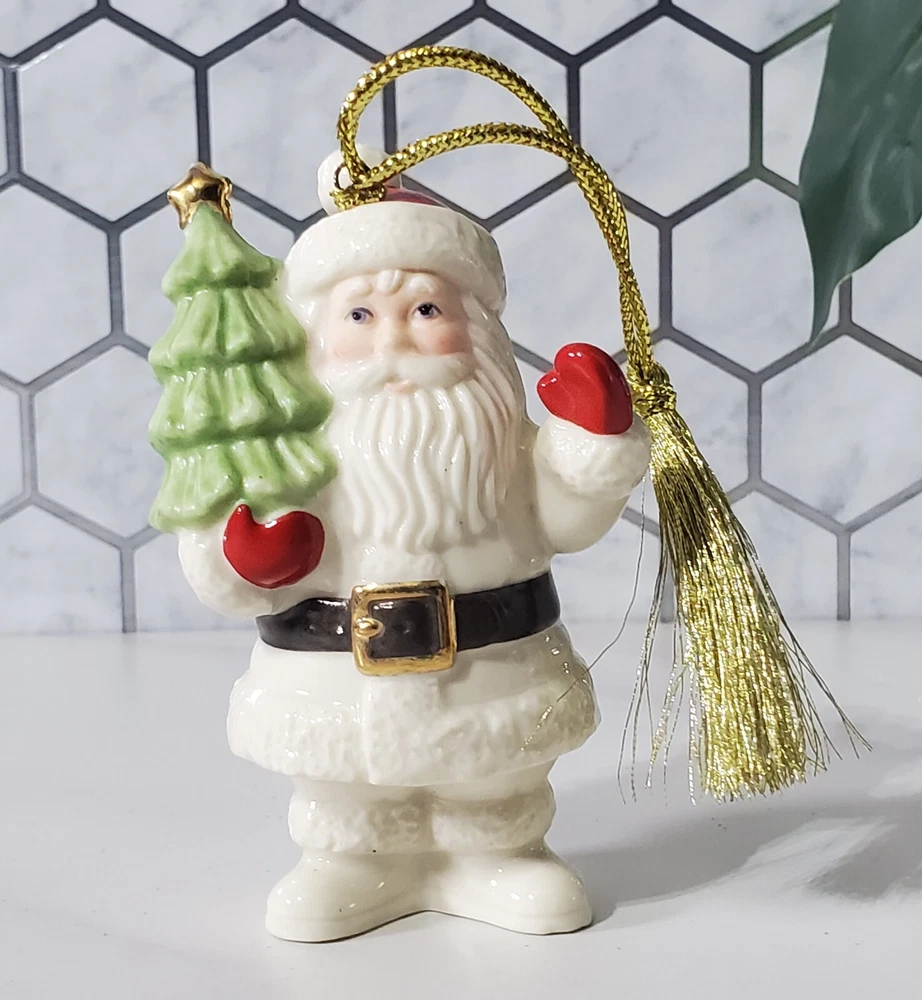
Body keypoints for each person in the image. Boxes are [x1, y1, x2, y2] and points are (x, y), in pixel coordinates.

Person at [177, 147, 651, 941]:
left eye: (427, 311)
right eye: (360, 317)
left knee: (494, 780)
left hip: (494, 668)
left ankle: (500, 856)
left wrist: (592, 447)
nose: (393, 338)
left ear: (476, 326)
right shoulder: (292, 454)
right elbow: (231, 542)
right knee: (342, 789)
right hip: (331, 678)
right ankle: (350, 863)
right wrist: (246, 560)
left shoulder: (502, 444)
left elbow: (563, 520)